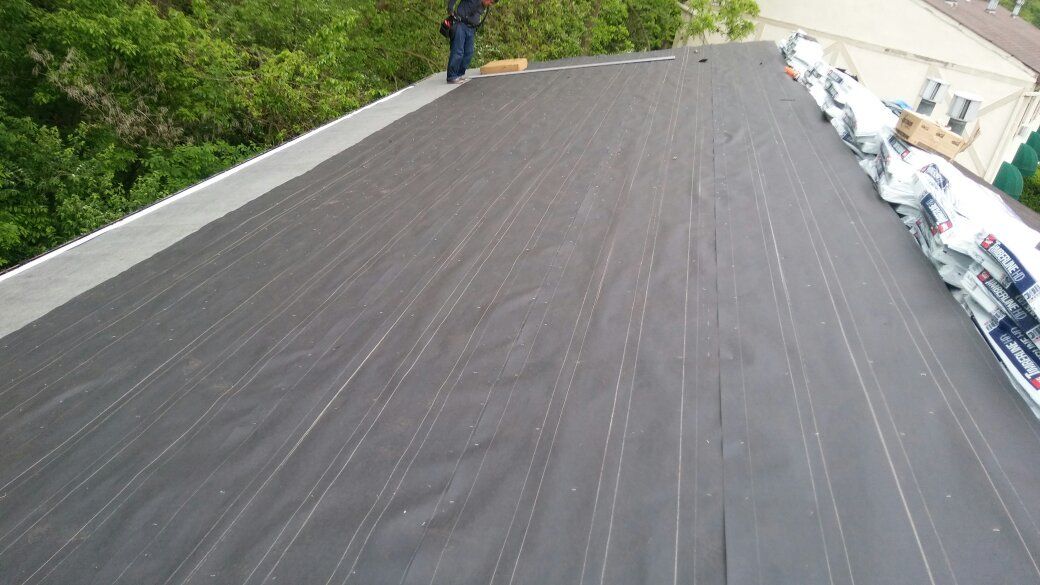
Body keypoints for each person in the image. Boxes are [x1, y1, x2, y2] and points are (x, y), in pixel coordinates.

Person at [446, 0, 494, 84]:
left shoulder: (484, 6)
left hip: (471, 29)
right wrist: (450, 8)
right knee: (458, 51)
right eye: (490, 2)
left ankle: (459, 74)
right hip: (460, 24)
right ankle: (451, 76)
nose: (490, 4)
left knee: (469, 52)